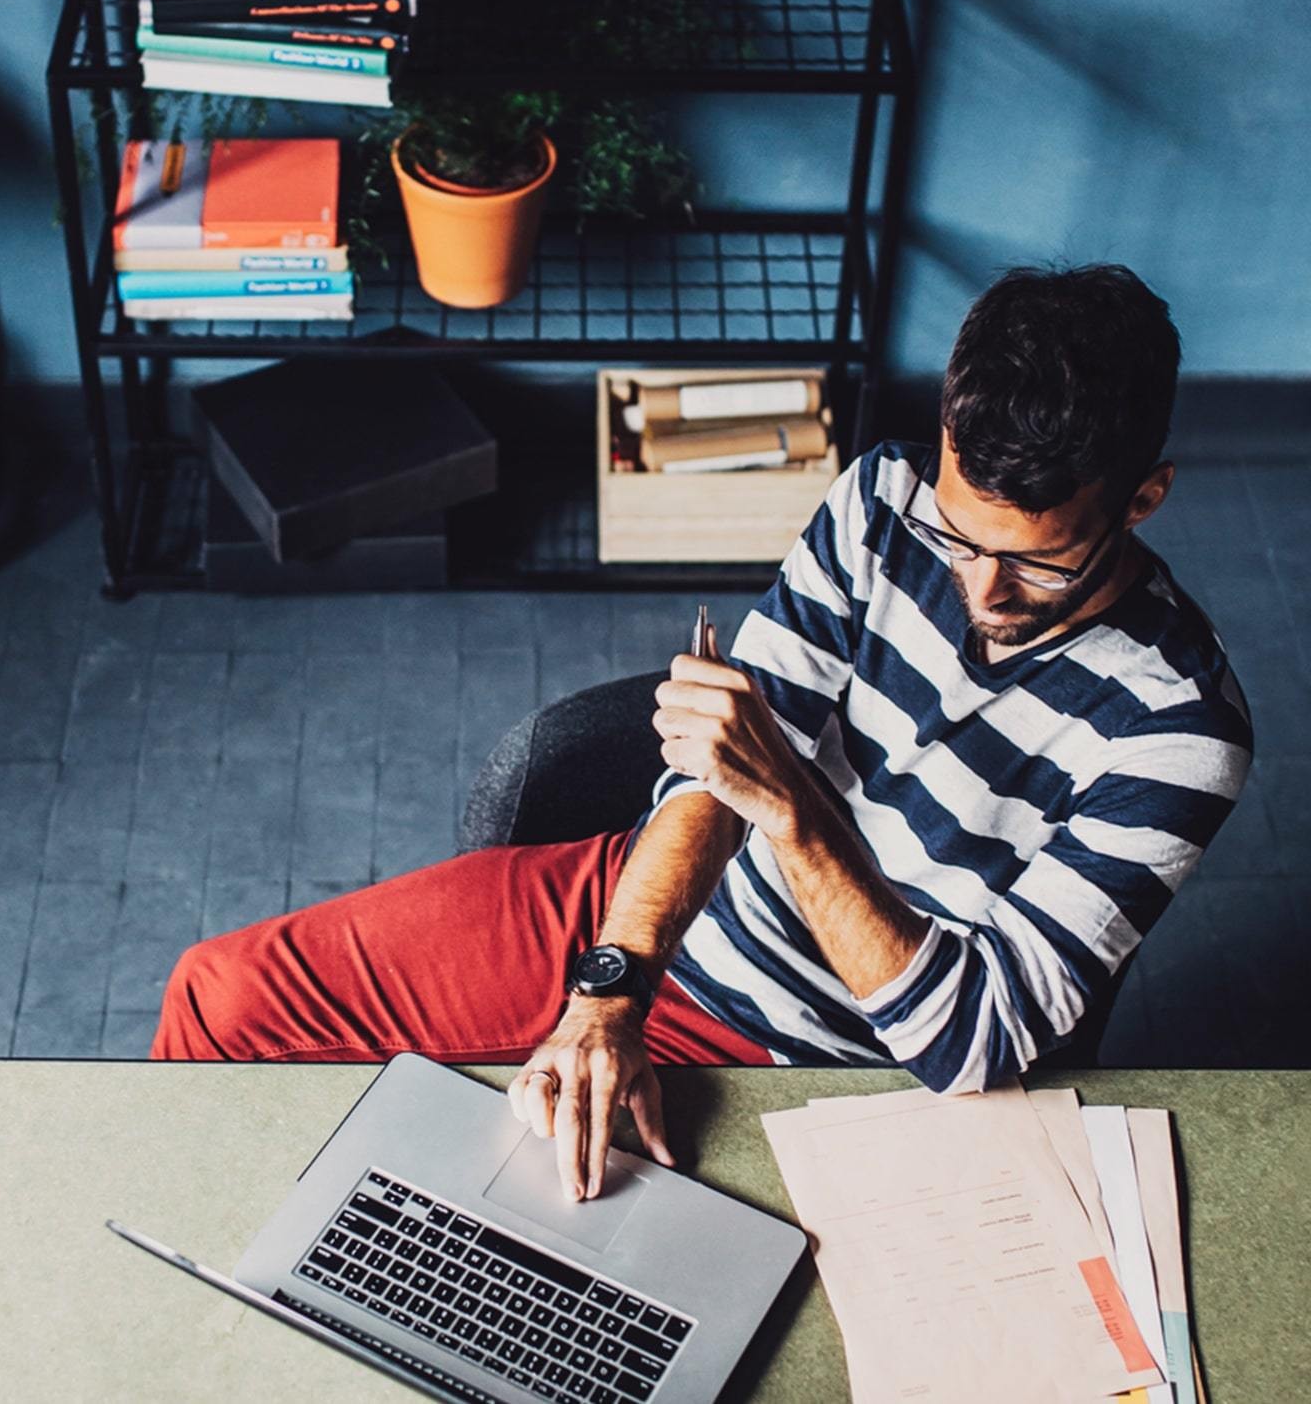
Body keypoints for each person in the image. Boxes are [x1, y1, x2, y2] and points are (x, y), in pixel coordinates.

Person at [153, 264, 1251, 1205]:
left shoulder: (1179, 729)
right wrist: (610, 990)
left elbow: (968, 1044)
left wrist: (794, 808)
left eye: (1038, 561)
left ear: (1144, 497)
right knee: (221, 997)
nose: (979, 586)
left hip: (827, 1061)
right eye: (961, 536)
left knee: (602, 1283)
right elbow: (707, 780)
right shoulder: (884, 500)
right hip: (641, 914)